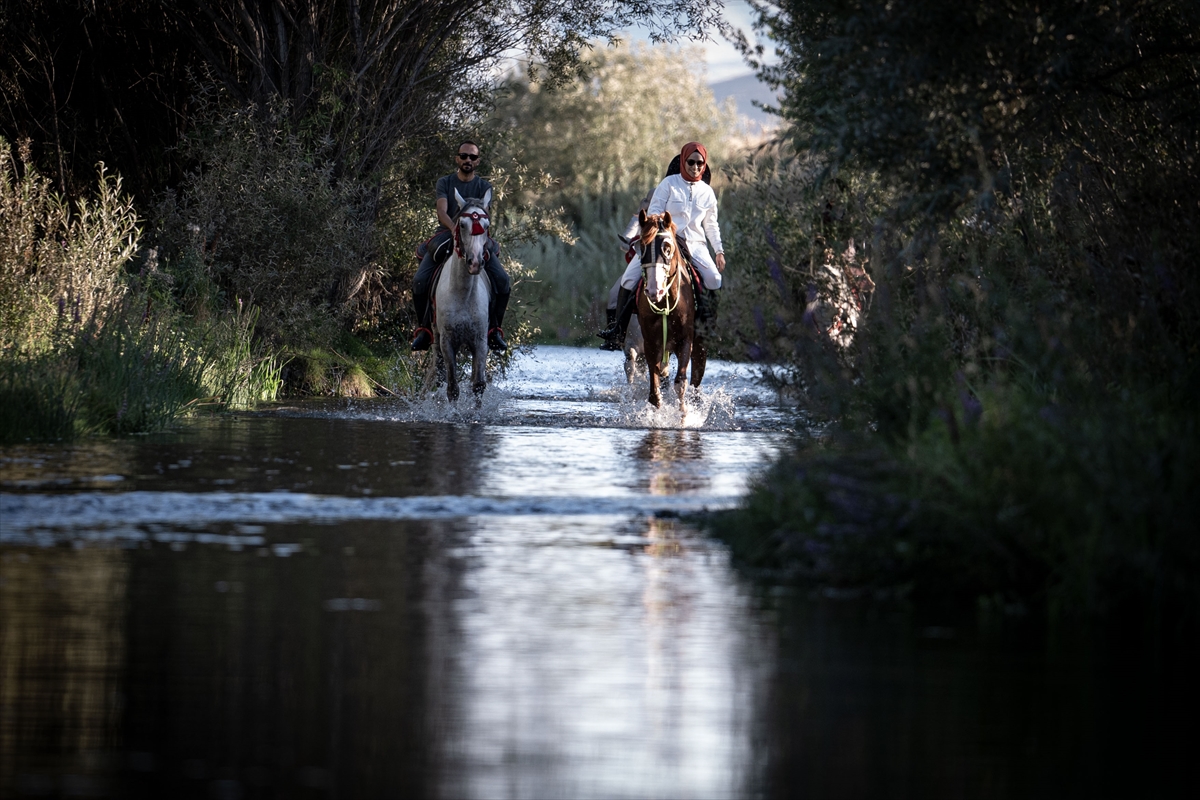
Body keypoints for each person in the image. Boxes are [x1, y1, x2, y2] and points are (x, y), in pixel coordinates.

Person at [598, 142, 725, 350]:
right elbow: (654, 210)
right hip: (664, 240)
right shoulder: (668, 184)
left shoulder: (708, 192)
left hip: (695, 244)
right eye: (691, 162)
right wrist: (659, 230)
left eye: (700, 163)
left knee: (715, 279)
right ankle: (617, 332)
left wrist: (719, 250)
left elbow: (711, 225)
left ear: (704, 164)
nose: (695, 167)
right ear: (683, 161)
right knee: (628, 278)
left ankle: (709, 328)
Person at [411, 140, 511, 352]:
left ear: (478, 161)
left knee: (503, 281)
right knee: (419, 280)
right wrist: (456, 229)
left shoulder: (485, 187)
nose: (468, 160)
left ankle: (494, 330)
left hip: (476, 238)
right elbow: (442, 211)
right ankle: (424, 330)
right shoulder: (445, 182)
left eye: (472, 157)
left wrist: (474, 234)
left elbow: (484, 216)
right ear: (457, 159)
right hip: (447, 234)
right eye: (464, 156)